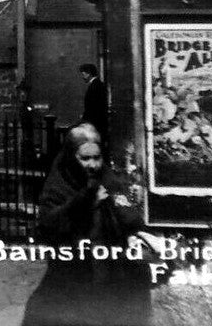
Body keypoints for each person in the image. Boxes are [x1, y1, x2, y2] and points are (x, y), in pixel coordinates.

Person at [21, 123, 150, 326]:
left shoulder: (109, 180)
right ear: (72, 158)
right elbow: (48, 227)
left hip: (110, 277)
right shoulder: (59, 186)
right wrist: (84, 201)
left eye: (96, 158)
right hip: (72, 280)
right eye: (85, 158)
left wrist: (119, 211)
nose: (92, 165)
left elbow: (131, 218)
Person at [80, 63, 108, 140]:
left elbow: (92, 106)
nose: (83, 77)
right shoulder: (98, 84)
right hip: (98, 121)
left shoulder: (95, 86)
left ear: (89, 73)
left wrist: (85, 119)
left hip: (95, 122)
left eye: (83, 74)